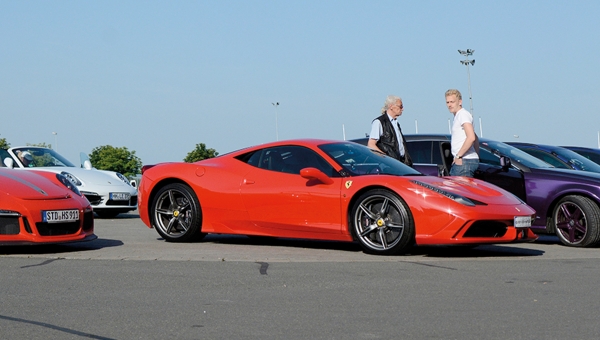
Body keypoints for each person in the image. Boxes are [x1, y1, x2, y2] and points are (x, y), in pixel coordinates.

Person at [367, 95, 413, 167]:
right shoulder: (379, 122)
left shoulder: (396, 124)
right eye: (400, 106)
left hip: (401, 163)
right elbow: (371, 144)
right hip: (388, 165)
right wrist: (385, 158)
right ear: (391, 106)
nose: (402, 109)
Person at [445, 89, 479, 177]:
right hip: (467, 160)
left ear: (460, 102)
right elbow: (476, 137)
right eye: (447, 102)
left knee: (459, 190)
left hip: (464, 162)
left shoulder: (462, 115)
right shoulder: (458, 116)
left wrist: (459, 156)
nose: (449, 105)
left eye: (452, 102)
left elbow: (471, 137)